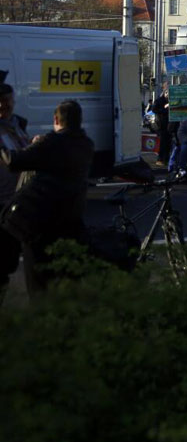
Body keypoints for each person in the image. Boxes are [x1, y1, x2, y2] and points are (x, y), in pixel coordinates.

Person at [0, 100, 94, 299]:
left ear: (56, 120)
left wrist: (35, 146)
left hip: (40, 224)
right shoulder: (86, 143)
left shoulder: (51, 142)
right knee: (63, 277)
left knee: (38, 281)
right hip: (70, 220)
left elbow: (14, 161)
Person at [0, 77, 32, 303]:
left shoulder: (18, 125)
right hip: (0, 203)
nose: (5, 105)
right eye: (0, 102)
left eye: (7, 100)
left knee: (9, 260)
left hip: (16, 202)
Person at [152, 82, 171, 166]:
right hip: (162, 124)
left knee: (169, 142)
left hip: (171, 124)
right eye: (167, 92)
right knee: (163, 142)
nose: (168, 94)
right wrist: (164, 109)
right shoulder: (159, 100)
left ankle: (166, 159)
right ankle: (160, 159)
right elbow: (154, 109)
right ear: (164, 91)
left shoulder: (173, 99)